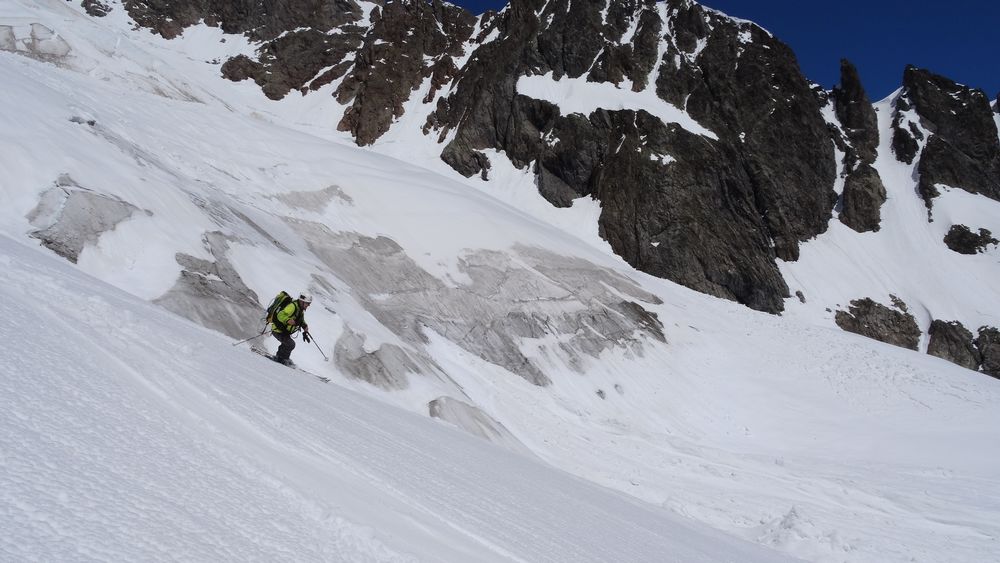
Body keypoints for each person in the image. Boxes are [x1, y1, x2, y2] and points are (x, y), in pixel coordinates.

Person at [270, 293, 312, 365]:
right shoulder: (292, 307)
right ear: (302, 301)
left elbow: (300, 320)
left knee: (288, 344)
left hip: (284, 331)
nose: (308, 305)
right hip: (278, 330)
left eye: (309, 304)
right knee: (290, 344)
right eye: (307, 303)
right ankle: (281, 358)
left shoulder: (300, 309)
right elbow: (280, 315)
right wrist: (287, 320)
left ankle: (282, 358)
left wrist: (305, 326)